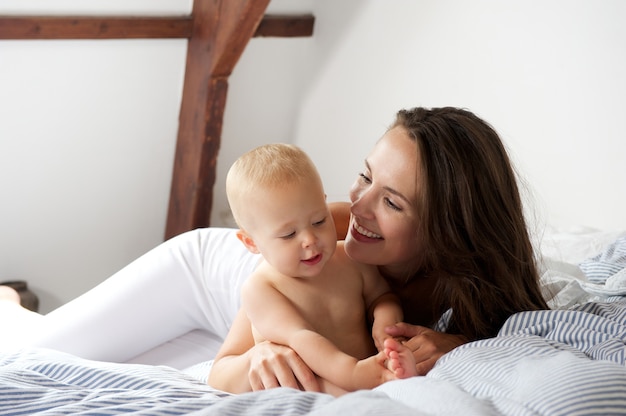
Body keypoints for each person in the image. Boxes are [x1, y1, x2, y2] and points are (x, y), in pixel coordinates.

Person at [3, 106, 548, 394]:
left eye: (393, 203)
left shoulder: (462, 286)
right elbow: (230, 361)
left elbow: (498, 328)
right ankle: (10, 309)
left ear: (449, 227)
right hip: (205, 277)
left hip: (258, 316)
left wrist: (451, 343)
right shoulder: (330, 234)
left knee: (125, 363)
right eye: (363, 177)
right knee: (40, 351)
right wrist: (254, 355)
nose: (357, 208)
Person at [208, 143, 415, 395]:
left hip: (364, 370)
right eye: (288, 234)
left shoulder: (349, 259)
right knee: (313, 382)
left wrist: (386, 322)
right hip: (309, 382)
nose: (309, 239)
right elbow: (301, 338)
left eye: (319, 221)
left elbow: (382, 296)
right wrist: (354, 373)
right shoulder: (262, 288)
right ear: (251, 242)